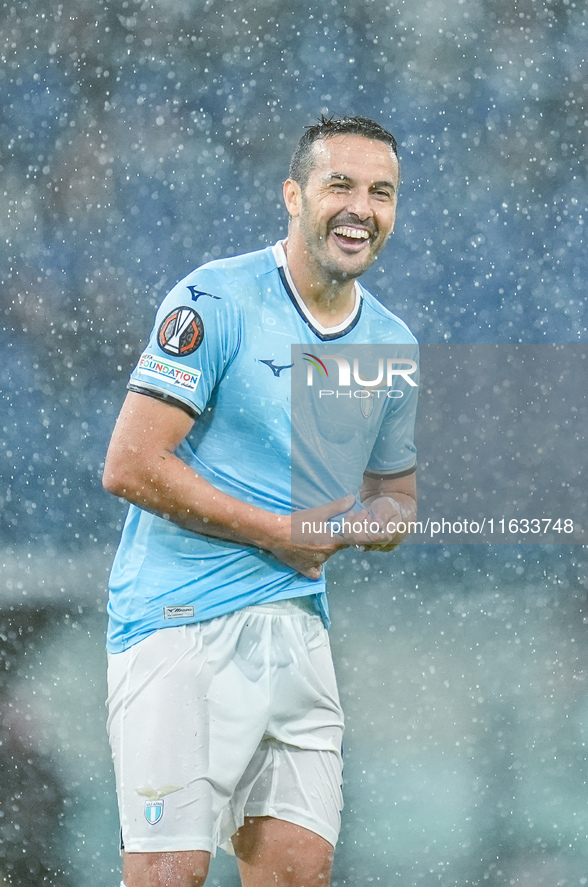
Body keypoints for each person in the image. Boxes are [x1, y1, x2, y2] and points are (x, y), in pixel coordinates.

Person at [102, 114, 418, 887]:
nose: (359, 208)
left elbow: (394, 497)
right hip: (180, 623)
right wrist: (279, 531)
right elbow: (131, 464)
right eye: (338, 184)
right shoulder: (215, 298)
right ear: (293, 194)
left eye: (380, 192)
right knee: (168, 874)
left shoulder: (390, 345)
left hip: (298, 633)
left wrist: (368, 526)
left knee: (297, 873)